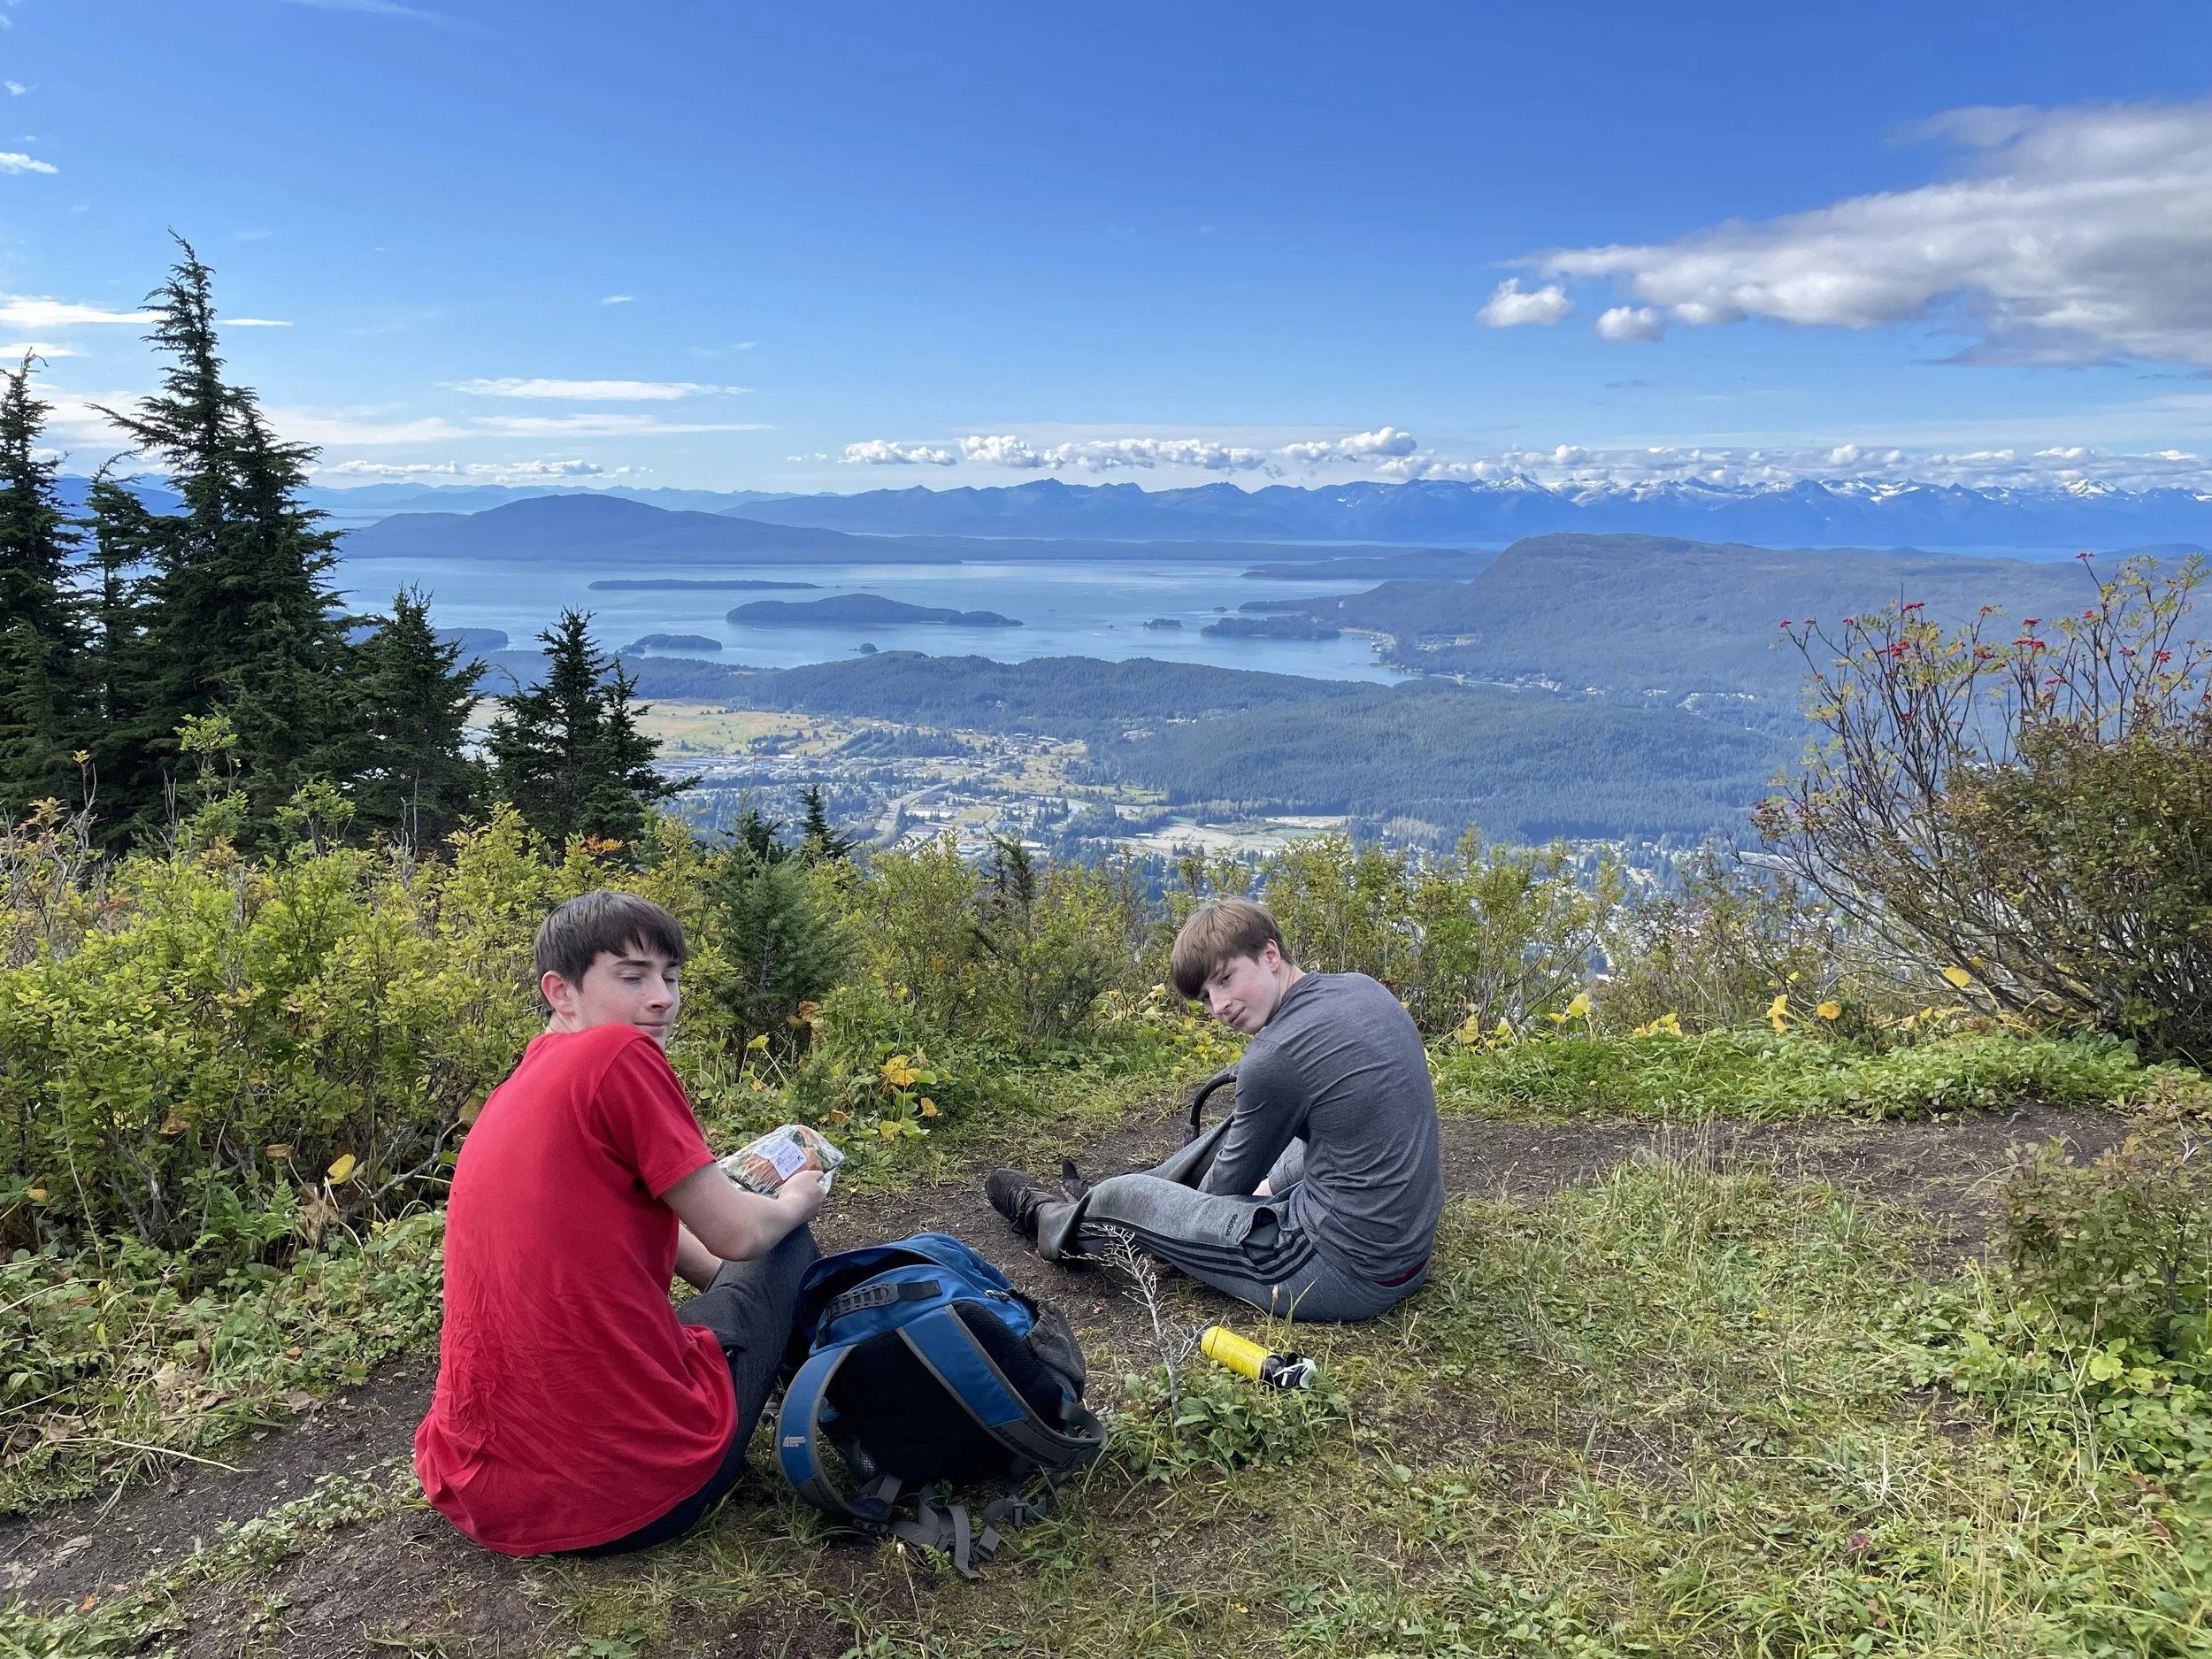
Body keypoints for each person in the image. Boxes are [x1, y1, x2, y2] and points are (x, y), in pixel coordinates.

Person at [414, 890, 828, 1556]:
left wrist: (736, 1278)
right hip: (629, 1491)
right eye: (632, 976)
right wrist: (795, 1201)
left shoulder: (518, 1086)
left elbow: (622, 1242)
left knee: (751, 1270)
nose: (662, 996)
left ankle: (778, 1354)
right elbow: (741, 1237)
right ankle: (838, 1400)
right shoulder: (619, 1058)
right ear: (562, 991)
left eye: (671, 976)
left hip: (483, 1491)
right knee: (784, 1243)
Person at [986, 898, 1441, 1324]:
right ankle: (1131, 1190)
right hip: (1407, 1251)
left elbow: (1216, 1200)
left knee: (1126, 1200)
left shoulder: (1275, 1056)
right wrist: (1266, 1184)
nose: (1219, 1007)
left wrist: (1171, 1215)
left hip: (1338, 1271)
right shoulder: (1362, 989)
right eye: (1205, 997)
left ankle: (1050, 1218)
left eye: (1224, 979)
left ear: (1269, 954)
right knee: (1247, 1129)